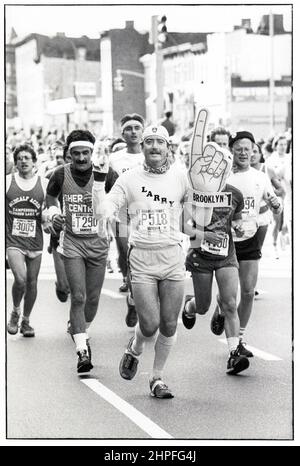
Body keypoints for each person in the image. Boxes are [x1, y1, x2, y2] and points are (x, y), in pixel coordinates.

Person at [92, 125, 188, 398]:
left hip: (172, 255)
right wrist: (105, 203)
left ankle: (157, 378)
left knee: (169, 324)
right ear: (142, 148)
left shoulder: (181, 177)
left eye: (160, 142)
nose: (155, 147)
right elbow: (108, 204)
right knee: (149, 325)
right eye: (150, 143)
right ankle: (135, 347)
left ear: (168, 147)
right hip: (142, 258)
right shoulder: (129, 178)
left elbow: (197, 208)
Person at [181, 110, 249, 375]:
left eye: (223, 165)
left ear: (228, 169)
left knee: (231, 303)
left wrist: (239, 226)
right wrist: (203, 234)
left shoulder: (235, 195)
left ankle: (234, 353)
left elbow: (237, 221)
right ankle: (189, 305)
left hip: (227, 255)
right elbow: (182, 225)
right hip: (200, 253)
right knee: (203, 306)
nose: (218, 169)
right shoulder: (194, 191)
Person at [46, 130, 109, 373]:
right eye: (76, 153)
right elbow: (51, 199)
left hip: (98, 243)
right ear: (68, 154)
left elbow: (121, 198)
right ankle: (82, 350)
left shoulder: (105, 173)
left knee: (92, 299)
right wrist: (54, 215)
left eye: (85, 153)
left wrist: (110, 212)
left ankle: (83, 329)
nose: (81, 158)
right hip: (72, 242)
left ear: (92, 152)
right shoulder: (60, 174)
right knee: (79, 296)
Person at [227, 131, 282, 355]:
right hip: (226, 239)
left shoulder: (259, 176)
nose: (243, 152)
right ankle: (220, 312)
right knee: (227, 298)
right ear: (232, 150)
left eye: (247, 149)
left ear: (252, 152)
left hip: (250, 238)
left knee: (248, 292)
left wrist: (277, 205)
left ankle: (239, 338)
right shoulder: (223, 177)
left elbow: (273, 204)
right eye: (238, 148)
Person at [6, 144, 49, 337]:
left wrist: (49, 219)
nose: (23, 161)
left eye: (27, 158)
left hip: (35, 240)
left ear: (34, 162)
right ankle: (15, 311)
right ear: (15, 163)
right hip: (13, 239)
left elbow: (50, 209)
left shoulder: (44, 184)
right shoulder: (7, 182)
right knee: (21, 279)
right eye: (20, 158)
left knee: (32, 282)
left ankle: (26, 321)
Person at [109, 113, 145, 328]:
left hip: (146, 213)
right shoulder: (115, 159)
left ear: (143, 132)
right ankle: (131, 290)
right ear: (122, 134)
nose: (133, 132)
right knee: (127, 253)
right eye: (129, 128)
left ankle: (136, 297)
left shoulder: (152, 154)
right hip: (122, 214)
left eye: (137, 128)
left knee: (142, 255)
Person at [45, 143, 71, 302]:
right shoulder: (53, 175)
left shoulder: (91, 175)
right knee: (64, 288)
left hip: (83, 236)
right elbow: (42, 201)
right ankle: (60, 285)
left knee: (80, 288)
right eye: (68, 157)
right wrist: (48, 218)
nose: (72, 160)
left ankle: (76, 324)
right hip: (59, 231)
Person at [265, 135, 289, 256]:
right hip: (277, 194)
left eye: (285, 144)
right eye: (280, 144)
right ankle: (274, 245)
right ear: (276, 145)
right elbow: (270, 178)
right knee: (277, 221)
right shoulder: (271, 160)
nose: (283, 147)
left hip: (288, 195)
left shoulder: (290, 158)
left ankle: (283, 237)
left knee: (286, 222)